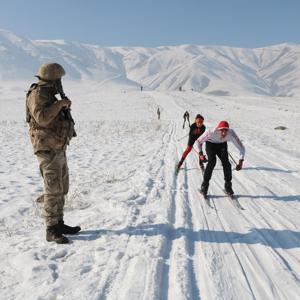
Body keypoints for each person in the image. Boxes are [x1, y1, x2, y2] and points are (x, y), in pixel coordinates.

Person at [26, 63, 81, 244]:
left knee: (61, 187)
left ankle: (59, 223)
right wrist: (59, 104)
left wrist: (62, 105)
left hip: (57, 147)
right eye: (59, 79)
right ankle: (51, 229)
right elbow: (41, 118)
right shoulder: (38, 94)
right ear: (52, 78)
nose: (60, 82)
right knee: (52, 189)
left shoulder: (50, 94)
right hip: (47, 148)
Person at [197, 121, 245, 196]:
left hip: (222, 145)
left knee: (227, 164)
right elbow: (199, 141)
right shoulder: (210, 132)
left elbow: (241, 148)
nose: (223, 133)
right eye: (221, 130)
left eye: (226, 130)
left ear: (228, 130)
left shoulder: (231, 133)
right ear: (218, 129)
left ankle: (228, 187)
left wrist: (241, 161)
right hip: (210, 144)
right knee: (212, 162)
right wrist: (201, 154)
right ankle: (204, 186)